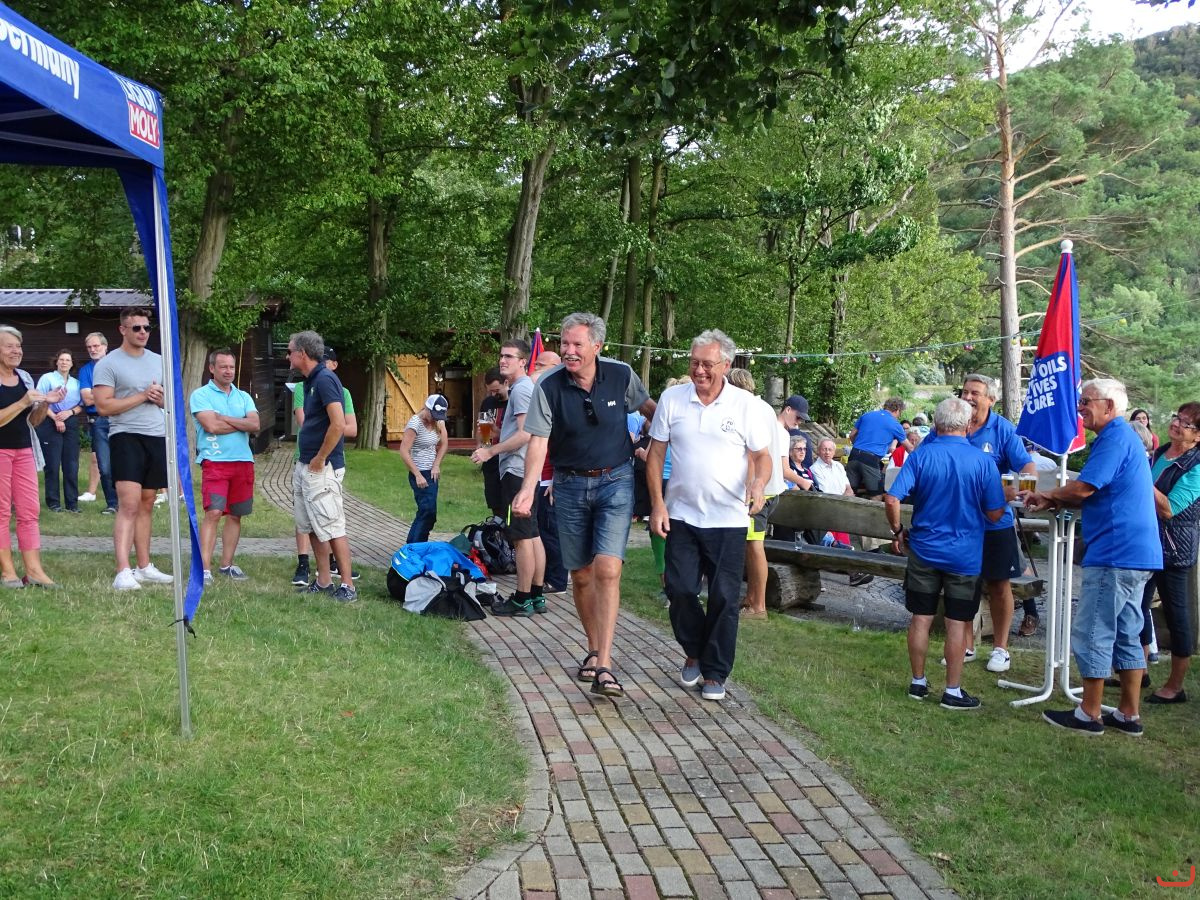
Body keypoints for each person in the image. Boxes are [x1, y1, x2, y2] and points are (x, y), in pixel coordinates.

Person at [512, 312, 655, 699]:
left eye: (577, 344)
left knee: (608, 568)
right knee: (581, 574)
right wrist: (527, 488)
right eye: (565, 343)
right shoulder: (549, 386)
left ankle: (604, 665)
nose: (569, 351)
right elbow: (538, 440)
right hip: (570, 484)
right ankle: (594, 648)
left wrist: (665, 436)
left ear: (597, 346)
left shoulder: (621, 375)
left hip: (616, 480)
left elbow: (649, 409)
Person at [1024, 379, 1161, 736]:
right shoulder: (1126, 438)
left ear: (1110, 406)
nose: (1080, 407)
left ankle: (1089, 713)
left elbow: (1086, 488)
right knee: (1127, 633)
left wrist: (1048, 496)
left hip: (1115, 552)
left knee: (1093, 631)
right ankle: (1128, 714)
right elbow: (1097, 492)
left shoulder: (1114, 438)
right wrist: (1055, 498)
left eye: (1086, 401)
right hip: (1139, 554)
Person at [647, 329, 771, 701]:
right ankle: (695, 649)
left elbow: (762, 457)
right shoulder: (672, 399)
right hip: (681, 515)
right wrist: (657, 504)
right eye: (694, 363)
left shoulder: (745, 405)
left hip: (728, 519)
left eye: (707, 364)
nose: (699, 370)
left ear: (726, 365)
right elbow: (656, 454)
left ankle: (715, 672)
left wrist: (759, 484)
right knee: (680, 589)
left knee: (724, 597)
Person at [885, 397, 1007, 711]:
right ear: (967, 426)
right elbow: (995, 514)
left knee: (920, 618)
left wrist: (898, 531)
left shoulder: (921, 456)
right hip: (964, 554)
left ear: (937, 424)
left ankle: (918, 682)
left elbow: (892, 498)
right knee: (957, 623)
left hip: (924, 549)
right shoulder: (983, 462)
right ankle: (952, 691)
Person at [948, 374, 1038, 669]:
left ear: (991, 399)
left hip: (995, 524)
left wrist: (1021, 490)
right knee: (964, 584)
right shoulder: (951, 423)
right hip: (960, 522)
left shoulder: (1002, 429)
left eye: (975, 393)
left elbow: (1027, 466)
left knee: (999, 586)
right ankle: (967, 646)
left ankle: (1001, 649)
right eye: (965, 392)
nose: (968, 397)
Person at [92, 307, 174, 591]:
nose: (142, 332)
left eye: (146, 328)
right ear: (122, 330)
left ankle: (144, 566)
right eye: (136, 327)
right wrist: (142, 396)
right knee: (128, 503)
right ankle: (122, 571)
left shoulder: (159, 361)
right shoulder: (108, 364)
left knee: (147, 502)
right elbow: (103, 406)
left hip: (156, 434)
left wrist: (159, 399)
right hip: (125, 436)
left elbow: (169, 402)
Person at [471, 340, 546, 615]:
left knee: (521, 538)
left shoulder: (522, 389)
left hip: (517, 471)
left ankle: (522, 598)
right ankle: (536, 596)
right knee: (532, 534)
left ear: (523, 362)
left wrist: (490, 450)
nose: (503, 361)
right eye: (501, 356)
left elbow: (526, 433)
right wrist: (498, 431)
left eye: (509, 357)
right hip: (525, 470)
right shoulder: (522, 388)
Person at [288, 330, 358, 602]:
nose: (288, 357)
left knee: (332, 525)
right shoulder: (309, 381)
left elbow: (339, 424)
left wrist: (320, 458)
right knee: (313, 526)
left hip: (322, 468)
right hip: (306, 465)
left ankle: (348, 586)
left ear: (303, 353)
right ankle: (324, 580)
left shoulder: (326, 379)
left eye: (290, 351)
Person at [1139, 402, 1200, 704]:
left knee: (1177, 615)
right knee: (1136, 606)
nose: (1176, 423)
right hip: (1145, 542)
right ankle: (1137, 670)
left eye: (1186, 423)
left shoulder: (1197, 466)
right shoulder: (1160, 453)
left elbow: (1169, 508)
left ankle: (1176, 686)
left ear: (1198, 436)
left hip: (1174, 548)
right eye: (1177, 417)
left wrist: (1139, 472)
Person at [724, 369, 791, 621]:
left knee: (754, 547)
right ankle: (751, 598)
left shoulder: (746, 408)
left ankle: (759, 606)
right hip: (772, 488)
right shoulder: (764, 407)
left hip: (759, 491)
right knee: (750, 545)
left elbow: (752, 453)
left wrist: (750, 488)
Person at [190, 348, 259, 584]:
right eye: (223, 367)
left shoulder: (243, 396)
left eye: (231, 367)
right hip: (215, 462)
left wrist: (225, 418)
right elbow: (212, 426)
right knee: (214, 513)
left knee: (236, 515)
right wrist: (241, 423)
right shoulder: (201, 395)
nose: (228, 371)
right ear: (212, 368)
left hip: (243, 462)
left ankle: (226, 565)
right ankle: (204, 569)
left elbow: (255, 424)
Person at [0, 326, 62, 587]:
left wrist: (46, 403)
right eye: (9, 346)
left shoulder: (24, 377)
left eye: (19, 346)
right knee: (1, 512)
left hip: (25, 450)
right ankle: (8, 572)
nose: (17, 351)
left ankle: (34, 571)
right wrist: (23, 402)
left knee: (29, 511)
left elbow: (33, 421)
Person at [531, 351, 567, 594]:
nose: (535, 368)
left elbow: (562, 445)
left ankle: (557, 580)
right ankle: (546, 576)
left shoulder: (557, 401)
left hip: (550, 479)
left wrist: (555, 478)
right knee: (543, 530)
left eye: (540, 365)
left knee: (551, 531)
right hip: (539, 476)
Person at [35, 350, 84, 513]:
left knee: (71, 464)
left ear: (72, 364)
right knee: (53, 464)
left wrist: (69, 413)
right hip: (49, 420)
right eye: (61, 359)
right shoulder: (47, 378)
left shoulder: (76, 383)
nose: (64, 362)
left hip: (70, 421)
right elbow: (40, 400)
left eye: (67, 360)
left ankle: (72, 503)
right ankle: (53, 502)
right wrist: (56, 418)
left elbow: (81, 405)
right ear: (56, 362)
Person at [400, 394, 449, 544]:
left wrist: (436, 464)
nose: (435, 419)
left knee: (428, 513)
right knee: (427, 511)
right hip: (419, 473)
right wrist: (417, 475)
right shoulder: (415, 424)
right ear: (426, 408)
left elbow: (444, 444)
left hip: (432, 472)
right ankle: (415, 546)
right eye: (433, 415)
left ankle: (415, 545)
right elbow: (404, 451)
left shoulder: (439, 421)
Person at [78, 332, 117, 513]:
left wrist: (98, 394)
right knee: (105, 466)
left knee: (127, 463)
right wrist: (111, 393)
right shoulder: (86, 370)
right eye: (89, 347)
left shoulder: (118, 365)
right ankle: (112, 504)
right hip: (99, 421)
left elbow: (126, 392)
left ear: (105, 346)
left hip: (121, 419)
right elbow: (87, 399)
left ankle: (130, 502)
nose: (93, 350)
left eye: (96, 346)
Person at [847, 397, 912, 499]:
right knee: (876, 496)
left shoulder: (867, 415)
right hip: (870, 460)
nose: (899, 416)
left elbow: (852, 435)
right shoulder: (895, 424)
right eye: (900, 413)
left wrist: (859, 446)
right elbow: (909, 448)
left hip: (853, 455)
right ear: (898, 410)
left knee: (850, 492)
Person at [478, 368, 508, 519]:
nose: (493, 394)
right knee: (494, 503)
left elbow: (520, 435)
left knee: (508, 504)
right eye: (490, 391)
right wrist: (481, 447)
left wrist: (497, 431)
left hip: (508, 460)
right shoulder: (487, 403)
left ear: (506, 383)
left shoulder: (514, 402)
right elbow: (483, 431)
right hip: (491, 463)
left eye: (496, 390)